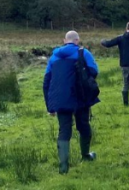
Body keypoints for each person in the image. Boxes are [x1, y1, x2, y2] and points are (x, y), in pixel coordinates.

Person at [44, 31, 99, 174]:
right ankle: (86, 155)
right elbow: (94, 72)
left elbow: (46, 82)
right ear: (77, 40)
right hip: (80, 96)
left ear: (64, 40)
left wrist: (50, 106)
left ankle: (63, 167)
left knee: (64, 129)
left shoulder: (53, 57)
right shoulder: (84, 53)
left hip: (61, 98)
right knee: (83, 125)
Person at [101, 21, 129, 106]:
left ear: (126, 28)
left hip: (124, 64)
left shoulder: (121, 38)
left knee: (125, 84)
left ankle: (125, 103)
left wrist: (102, 41)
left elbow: (108, 44)